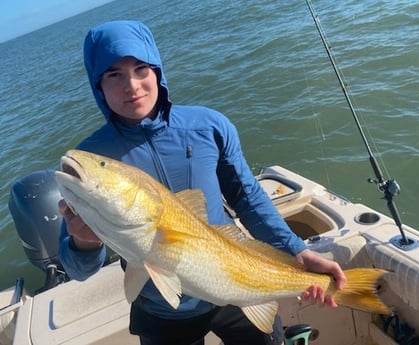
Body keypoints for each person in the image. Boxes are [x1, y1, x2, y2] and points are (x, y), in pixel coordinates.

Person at [58, 20, 346, 345]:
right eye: (114, 75)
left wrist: (297, 251)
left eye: (141, 69)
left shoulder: (208, 125)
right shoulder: (91, 157)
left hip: (239, 285)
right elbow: (78, 270)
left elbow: (248, 197)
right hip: (161, 310)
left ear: (157, 71)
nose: (132, 85)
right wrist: (85, 243)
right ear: (98, 85)